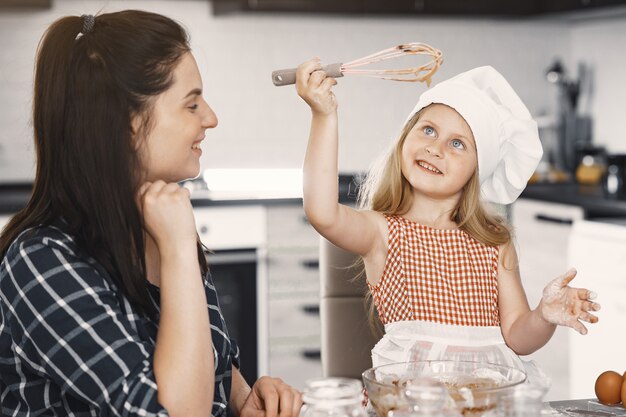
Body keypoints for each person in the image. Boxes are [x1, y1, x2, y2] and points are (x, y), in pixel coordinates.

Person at [0, 11, 302, 417]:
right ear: (127, 122)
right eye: (191, 104)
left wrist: (246, 398)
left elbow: (209, 366)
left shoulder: (162, 222)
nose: (210, 118)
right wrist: (178, 249)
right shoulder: (41, 261)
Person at [294, 60, 601, 373]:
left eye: (457, 143)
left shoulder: (494, 240)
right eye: (428, 130)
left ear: (477, 169)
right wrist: (323, 114)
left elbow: (519, 338)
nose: (435, 148)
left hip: (485, 400)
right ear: (404, 137)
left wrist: (543, 315)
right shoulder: (382, 232)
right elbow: (322, 213)